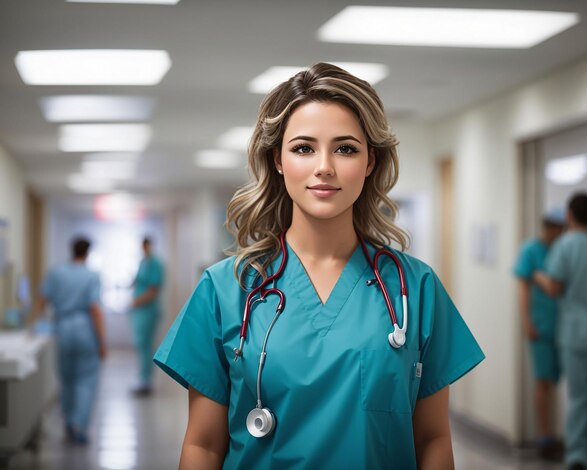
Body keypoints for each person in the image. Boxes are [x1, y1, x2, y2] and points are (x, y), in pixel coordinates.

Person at [154, 63, 485, 469]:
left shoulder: (414, 288)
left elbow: (432, 438)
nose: (324, 166)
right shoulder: (227, 289)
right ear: (277, 160)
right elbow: (203, 445)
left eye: (345, 148)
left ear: (370, 162)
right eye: (303, 148)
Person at [534, 192, 587, 470]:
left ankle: (580, 458)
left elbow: (556, 287)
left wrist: (539, 277)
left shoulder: (566, 246)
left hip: (577, 335)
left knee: (580, 399)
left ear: (569, 215)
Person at [30, 237, 106, 445]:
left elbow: (42, 301)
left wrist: (30, 325)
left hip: (62, 329)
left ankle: (69, 421)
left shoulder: (56, 273)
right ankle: (79, 426)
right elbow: (95, 309)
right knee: (86, 380)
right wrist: (102, 342)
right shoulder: (92, 276)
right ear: (87, 253)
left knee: (67, 379)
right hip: (85, 330)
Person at [513, 209, 565, 461]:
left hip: (562, 326)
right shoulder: (531, 250)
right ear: (550, 228)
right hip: (541, 327)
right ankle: (544, 437)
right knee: (542, 383)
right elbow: (523, 289)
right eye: (559, 229)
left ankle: (555, 435)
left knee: (553, 382)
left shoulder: (560, 250)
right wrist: (527, 322)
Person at [129, 236, 164, 397]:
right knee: (140, 345)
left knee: (146, 346)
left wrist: (137, 301)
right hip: (139, 310)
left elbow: (153, 289)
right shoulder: (143, 262)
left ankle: (146, 382)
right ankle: (142, 379)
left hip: (148, 310)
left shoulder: (156, 264)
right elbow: (136, 282)